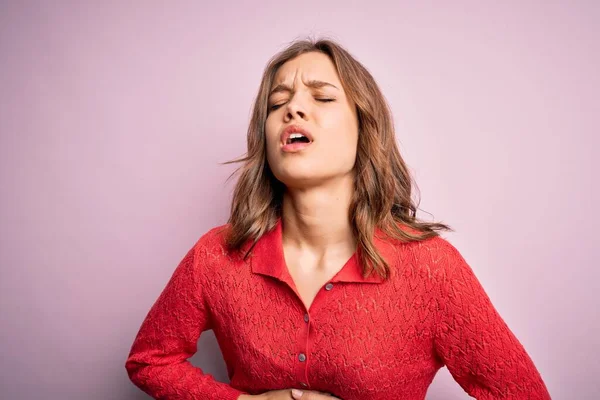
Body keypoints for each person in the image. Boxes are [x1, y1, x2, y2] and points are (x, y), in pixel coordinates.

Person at [125, 38, 551, 399]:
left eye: (323, 97)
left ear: (365, 128)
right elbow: (149, 361)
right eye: (277, 103)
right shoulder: (216, 254)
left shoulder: (431, 268)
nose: (292, 110)